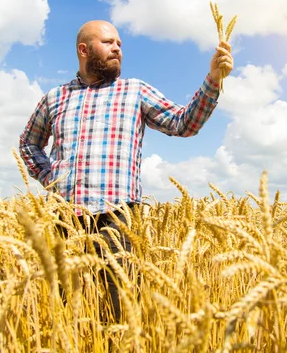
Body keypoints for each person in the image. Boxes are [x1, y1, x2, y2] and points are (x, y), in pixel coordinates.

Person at [19, 20, 233, 321]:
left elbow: (184, 123)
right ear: (84, 50)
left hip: (118, 221)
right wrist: (50, 177)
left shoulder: (135, 91)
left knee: (120, 314)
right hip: (64, 219)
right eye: (107, 42)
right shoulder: (55, 98)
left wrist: (213, 78)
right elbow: (29, 144)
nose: (117, 47)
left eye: (119, 43)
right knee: (65, 313)